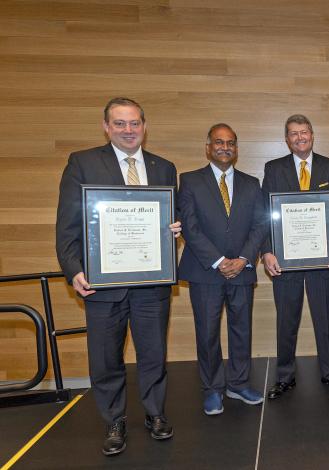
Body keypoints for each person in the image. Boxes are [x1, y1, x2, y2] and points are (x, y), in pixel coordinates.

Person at [55, 97, 180, 456]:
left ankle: (155, 413)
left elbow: (168, 220)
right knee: (106, 358)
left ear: (145, 125)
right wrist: (74, 269)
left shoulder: (163, 167)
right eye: (120, 123)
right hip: (102, 285)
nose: (129, 130)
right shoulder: (82, 163)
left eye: (135, 123)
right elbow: (67, 226)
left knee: (154, 353)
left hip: (150, 284)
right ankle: (114, 419)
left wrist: (174, 228)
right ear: (106, 126)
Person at [178, 123, 268, 415]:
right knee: (207, 333)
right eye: (219, 142)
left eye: (230, 143)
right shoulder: (190, 181)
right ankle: (212, 389)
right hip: (205, 271)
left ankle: (239, 384)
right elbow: (189, 228)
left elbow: (259, 225)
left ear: (236, 148)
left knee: (242, 330)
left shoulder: (251, 183)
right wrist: (219, 261)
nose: (225, 147)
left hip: (243, 270)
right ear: (208, 147)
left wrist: (243, 259)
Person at [261, 114, 329, 398]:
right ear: (286, 139)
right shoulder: (273, 168)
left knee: (325, 319)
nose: (299, 137)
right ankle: (285, 375)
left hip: (324, 260)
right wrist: (265, 251)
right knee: (286, 319)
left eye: (304, 132)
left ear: (312, 135)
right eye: (293, 134)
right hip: (285, 262)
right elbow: (264, 214)